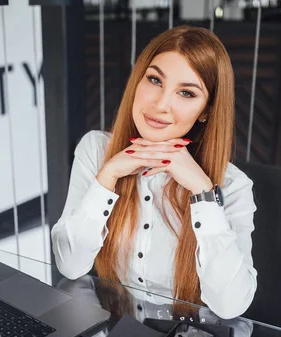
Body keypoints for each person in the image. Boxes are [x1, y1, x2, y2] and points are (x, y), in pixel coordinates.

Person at [51, 25, 257, 320]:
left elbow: (230, 307)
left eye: (186, 92)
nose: (160, 104)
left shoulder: (232, 186)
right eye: (154, 80)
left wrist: (202, 192)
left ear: (206, 111)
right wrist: (108, 176)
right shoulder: (96, 150)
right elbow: (70, 266)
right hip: (114, 334)